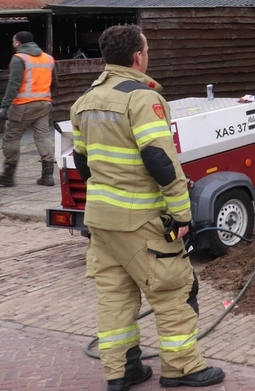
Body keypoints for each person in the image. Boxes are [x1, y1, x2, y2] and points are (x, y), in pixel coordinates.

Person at [70, 25, 224, 390]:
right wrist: (182, 213)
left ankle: (122, 372)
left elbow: (82, 163)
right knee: (175, 290)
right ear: (138, 57)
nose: (148, 56)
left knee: (115, 297)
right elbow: (159, 160)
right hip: (141, 220)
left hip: (102, 221)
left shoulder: (85, 101)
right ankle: (182, 367)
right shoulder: (141, 99)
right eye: (148, 50)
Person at [0, 31, 56, 187]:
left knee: (12, 137)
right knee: (43, 137)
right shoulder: (48, 58)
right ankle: (48, 175)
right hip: (44, 104)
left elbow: (14, 84)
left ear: (18, 43)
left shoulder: (20, 59)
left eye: (13, 41)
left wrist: (5, 105)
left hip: (22, 105)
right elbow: (54, 81)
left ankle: (8, 176)